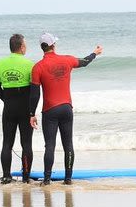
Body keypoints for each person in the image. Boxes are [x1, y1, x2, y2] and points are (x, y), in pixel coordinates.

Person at [29, 33, 102, 185]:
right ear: (53, 45)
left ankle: (47, 180)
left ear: (42, 48)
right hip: (66, 108)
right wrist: (95, 53)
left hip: (50, 110)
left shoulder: (37, 68)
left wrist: (31, 114)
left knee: (50, 146)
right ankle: (68, 179)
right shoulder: (67, 60)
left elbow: (34, 95)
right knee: (68, 144)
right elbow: (85, 62)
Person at [0, 33, 34, 184]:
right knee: (26, 144)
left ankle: (6, 176)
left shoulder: (0, 64)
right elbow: (35, 90)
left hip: (9, 108)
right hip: (25, 108)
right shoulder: (30, 64)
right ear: (22, 47)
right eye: (26, 45)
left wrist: (7, 100)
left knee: (7, 143)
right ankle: (25, 177)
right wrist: (32, 109)